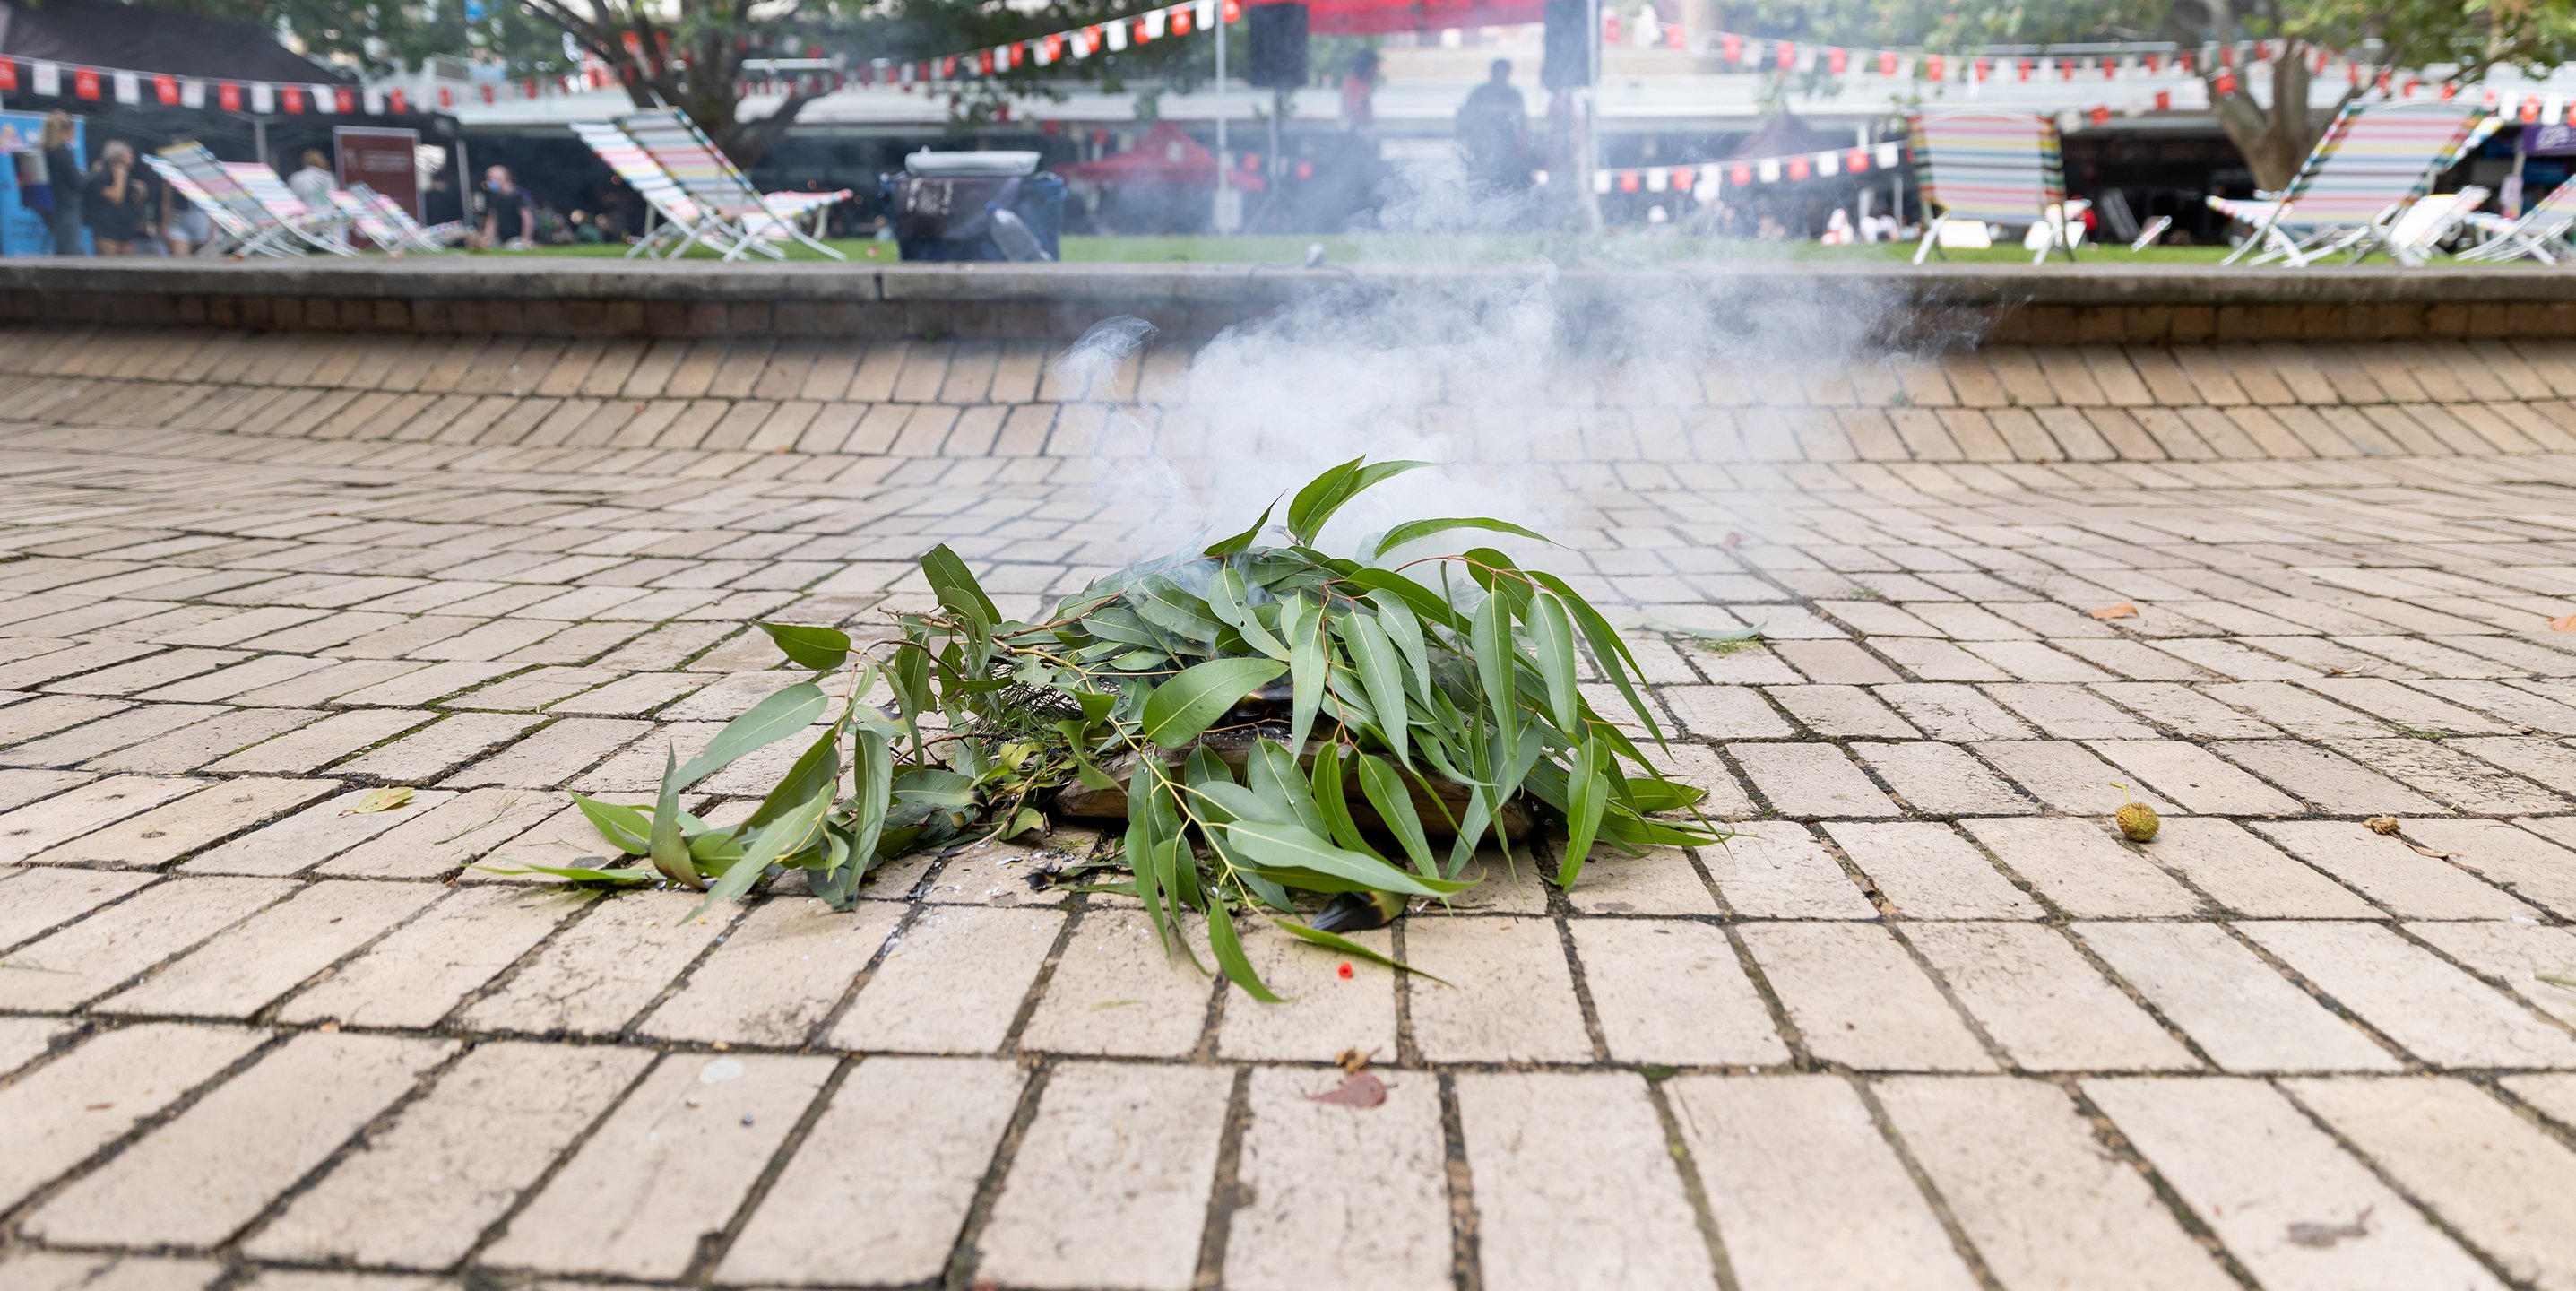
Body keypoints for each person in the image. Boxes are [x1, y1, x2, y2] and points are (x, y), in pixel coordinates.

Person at [1457, 59, 1529, 195]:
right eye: (1497, 72)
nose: (1500, 75)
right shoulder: (1479, 92)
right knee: (1482, 178)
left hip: (1507, 147)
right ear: (1492, 72)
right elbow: (1466, 116)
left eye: (1503, 72)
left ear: (1508, 73)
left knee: (1505, 180)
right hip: (1482, 145)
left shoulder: (1514, 94)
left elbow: (1522, 120)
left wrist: (1522, 145)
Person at [82, 141, 151, 256]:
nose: (130, 159)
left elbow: (134, 203)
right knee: (109, 262)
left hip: (127, 226)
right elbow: (116, 198)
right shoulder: (101, 176)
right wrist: (120, 177)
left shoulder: (129, 177)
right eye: (126, 155)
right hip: (107, 227)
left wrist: (140, 193)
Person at [38, 112, 84, 255]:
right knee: (68, 253)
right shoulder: (64, 153)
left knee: (74, 249)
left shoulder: (43, 152)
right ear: (69, 129)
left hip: (48, 209)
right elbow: (77, 183)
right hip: (66, 208)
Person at [160, 140, 214, 256]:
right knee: (180, 258)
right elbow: (167, 201)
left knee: (203, 260)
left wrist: (214, 229)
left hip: (200, 218)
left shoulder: (203, 172)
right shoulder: (171, 174)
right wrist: (165, 225)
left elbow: (213, 201)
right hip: (179, 218)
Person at [478, 164, 534, 248]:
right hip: (503, 240)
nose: (488, 182)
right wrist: (487, 238)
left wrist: (525, 239)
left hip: (517, 239)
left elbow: (527, 218)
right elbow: (492, 220)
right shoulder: (495, 197)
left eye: (490, 178)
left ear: (502, 178)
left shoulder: (518, 195)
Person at [1340, 50, 1379, 139]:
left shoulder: (1364, 84)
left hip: (1362, 130)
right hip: (1357, 133)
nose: (1377, 71)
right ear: (1366, 67)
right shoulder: (1353, 84)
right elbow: (1352, 111)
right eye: (1375, 67)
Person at [286, 149, 336, 217]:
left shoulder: (299, 178)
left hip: (310, 221)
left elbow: (293, 201)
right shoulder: (330, 178)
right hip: (331, 219)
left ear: (305, 162)